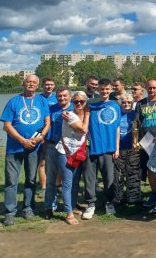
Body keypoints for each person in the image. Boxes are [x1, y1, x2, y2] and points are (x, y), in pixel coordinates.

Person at [0, 74, 51, 226]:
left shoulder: (42, 101)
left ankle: (28, 207)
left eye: (34, 82)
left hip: (34, 147)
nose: (31, 84)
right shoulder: (13, 101)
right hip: (14, 148)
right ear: (23, 83)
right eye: (28, 81)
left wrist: (40, 137)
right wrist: (22, 140)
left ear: (37, 85)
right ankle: (10, 212)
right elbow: (6, 126)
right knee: (11, 181)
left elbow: (47, 122)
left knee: (31, 179)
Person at [81, 78, 121, 219]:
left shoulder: (116, 106)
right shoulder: (90, 106)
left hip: (109, 148)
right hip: (92, 147)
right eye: (102, 89)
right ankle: (90, 204)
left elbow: (117, 128)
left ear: (111, 90)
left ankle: (109, 202)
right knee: (89, 178)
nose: (104, 91)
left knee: (108, 177)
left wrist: (117, 147)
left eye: (107, 89)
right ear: (98, 90)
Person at [134, 79, 156, 210]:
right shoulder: (141, 104)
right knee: (150, 169)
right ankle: (154, 194)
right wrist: (136, 140)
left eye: (154, 88)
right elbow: (136, 123)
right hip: (146, 141)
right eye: (149, 88)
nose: (152, 90)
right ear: (146, 89)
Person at [58, 91, 89, 224]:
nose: (79, 104)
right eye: (76, 101)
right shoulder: (69, 115)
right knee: (68, 182)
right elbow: (83, 129)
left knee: (76, 181)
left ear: (86, 102)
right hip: (65, 151)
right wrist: (87, 115)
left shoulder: (85, 111)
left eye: (82, 102)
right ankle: (68, 213)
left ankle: (73, 205)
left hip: (78, 151)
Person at [44, 86, 74, 219]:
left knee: (68, 179)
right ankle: (49, 207)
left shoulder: (75, 108)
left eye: (64, 96)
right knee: (50, 178)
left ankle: (70, 208)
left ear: (70, 96)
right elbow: (46, 126)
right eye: (59, 96)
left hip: (68, 148)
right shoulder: (51, 109)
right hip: (52, 145)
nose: (62, 98)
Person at [113, 93, 141, 205]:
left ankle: (133, 198)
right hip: (118, 148)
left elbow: (138, 130)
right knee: (118, 174)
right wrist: (116, 148)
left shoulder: (135, 115)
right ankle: (118, 197)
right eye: (124, 102)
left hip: (132, 148)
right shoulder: (117, 114)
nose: (126, 104)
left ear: (132, 103)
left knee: (133, 173)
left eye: (129, 102)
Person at [37, 77, 57, 200]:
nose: (49, 87)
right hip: (42, 134)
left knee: (58, 162)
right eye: (46, 85)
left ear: (54, 86)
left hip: (56, 134)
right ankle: (43, 187)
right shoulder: (38, 99)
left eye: (51, 84)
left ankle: (57, 185)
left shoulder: (57, 98)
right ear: (43, 86)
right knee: (43, 161)